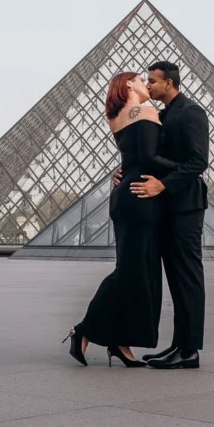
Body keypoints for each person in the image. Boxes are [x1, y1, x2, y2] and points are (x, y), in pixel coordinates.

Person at [63, 72, 175, 367]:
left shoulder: (116, 117)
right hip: (140, 196)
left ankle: (120, 342)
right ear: (128, 84)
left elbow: (134, 156)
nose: (146, 85)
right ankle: (83, 329)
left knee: (136, 270)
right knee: (131, 270)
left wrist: (123, 170)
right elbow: (149, 158)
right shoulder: (145, 111)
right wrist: (187, 167)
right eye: (141, 80)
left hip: (126, 194)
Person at [125, 61, 210, 369]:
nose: (147, 85)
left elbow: (199, 161)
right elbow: (156, 158)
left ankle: (189, 351)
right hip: (168, 207)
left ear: (169, 83)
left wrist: (163, 184)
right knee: (176, 278)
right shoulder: (163, 115)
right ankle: (179, 344)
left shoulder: (191, 112)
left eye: (152, 81)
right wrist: (125, 171)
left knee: (187, 277)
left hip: (185, 206)